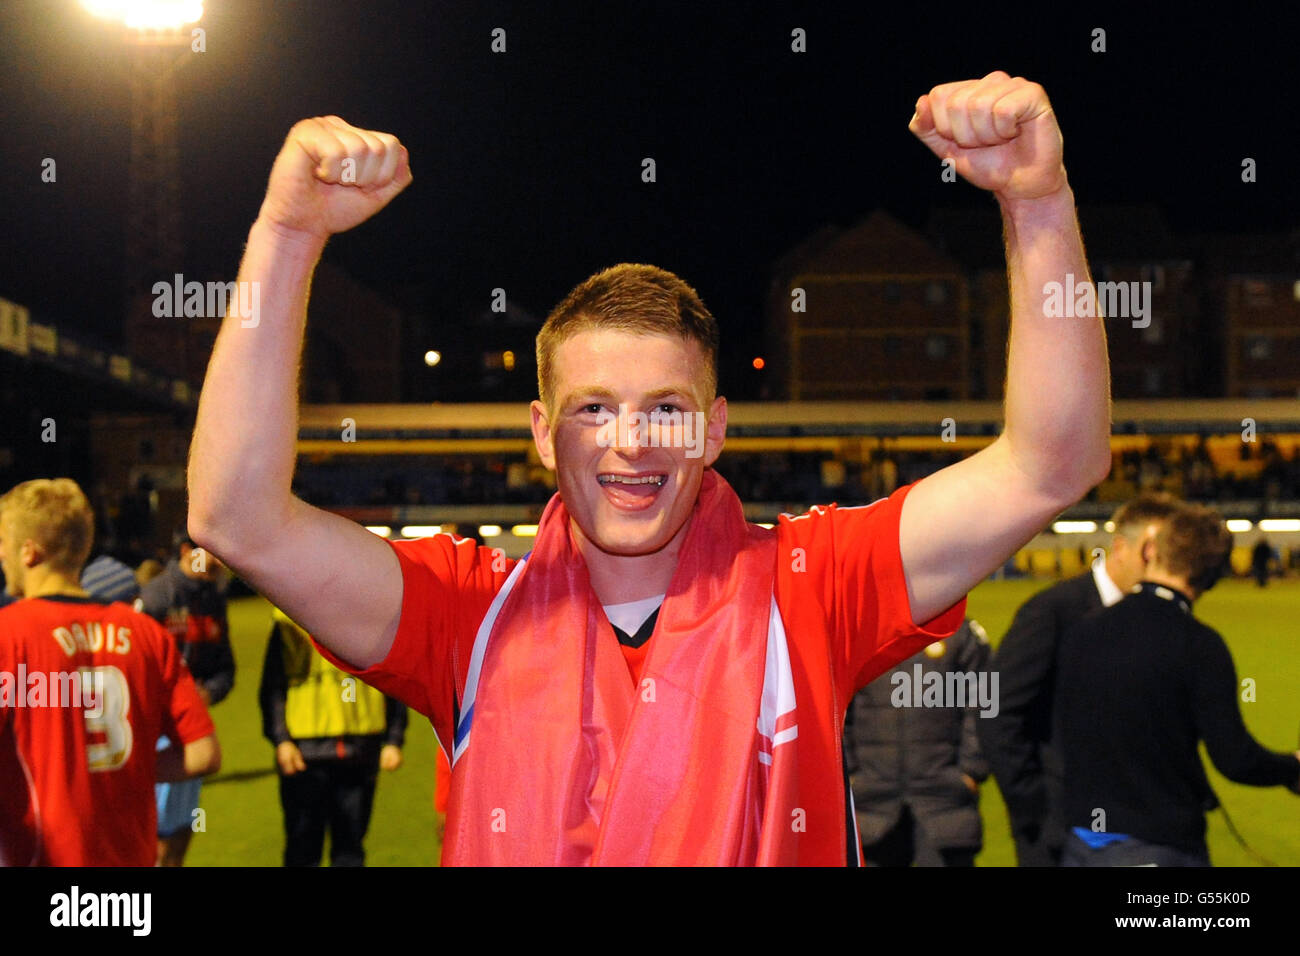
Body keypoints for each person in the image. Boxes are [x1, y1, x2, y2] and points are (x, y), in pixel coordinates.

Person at [187, 73, 1113, 865]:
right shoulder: (465, 611)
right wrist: (287, 236)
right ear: (544, 433)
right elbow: (236, 517)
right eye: (594, 408)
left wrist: (1038, 203)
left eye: (665, 410)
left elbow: (1050, 463)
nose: (631, 441)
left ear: (712, 431)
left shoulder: (811, 583)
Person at [1055, 503, 1300, 866]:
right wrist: (1291, 768)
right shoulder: (1200, 645)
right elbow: (1235, 759)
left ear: (1150, 551)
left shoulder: (1082, 630)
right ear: (1213, 575)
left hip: (1079, 843)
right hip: (1156, 845)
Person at [0, 479, 220, 866]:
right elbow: (203, 753)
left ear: (28, 552)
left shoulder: (8, 634)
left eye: (3, 545)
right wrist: (123, 770)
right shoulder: (146, 634)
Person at [978, 492, 1179, 865]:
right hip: (1057, 832)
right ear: (1121, 547)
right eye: (1154, 553)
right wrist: (1034, 807)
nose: (1164, 566)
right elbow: (995, 709)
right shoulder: (1053, 611)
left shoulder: (1155, 618)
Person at [259, 606, 408, 866]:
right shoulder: (287, 614)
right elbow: (273, 684)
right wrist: (281, 740)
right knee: (302, 849)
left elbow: (393, 678)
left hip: (360, 750)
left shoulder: (375, 611)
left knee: (350, 851)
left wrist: (394, 740)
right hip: (304, 753)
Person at [844, 619, 991, 866]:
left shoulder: (960, 632)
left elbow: (986, 703)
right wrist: (850, 773)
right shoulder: (856, 635)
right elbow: (834, 709)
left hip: (945, 803)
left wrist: (970, 771)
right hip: (870, 802)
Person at [136, 527, 235, 866]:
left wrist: (206, 693)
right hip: (152, 735)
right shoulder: (153, 598)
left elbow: (227, 668)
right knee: (150, 840)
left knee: (180, 835)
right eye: (212, 551)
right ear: (185, 551)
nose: (220, 560)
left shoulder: (214, 600)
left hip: (192, 734)